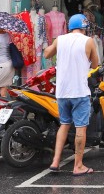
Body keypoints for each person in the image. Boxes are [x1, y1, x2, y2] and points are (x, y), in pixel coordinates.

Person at [42, 13, 99, 176]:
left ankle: (55, 162)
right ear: (84, 27)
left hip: (61, 91)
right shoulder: (88, 41)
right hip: (79, 91)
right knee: (81, 128)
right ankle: (78, 165)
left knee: (64, 125)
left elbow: (46, 54)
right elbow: (95, 65)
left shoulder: (60, 39)